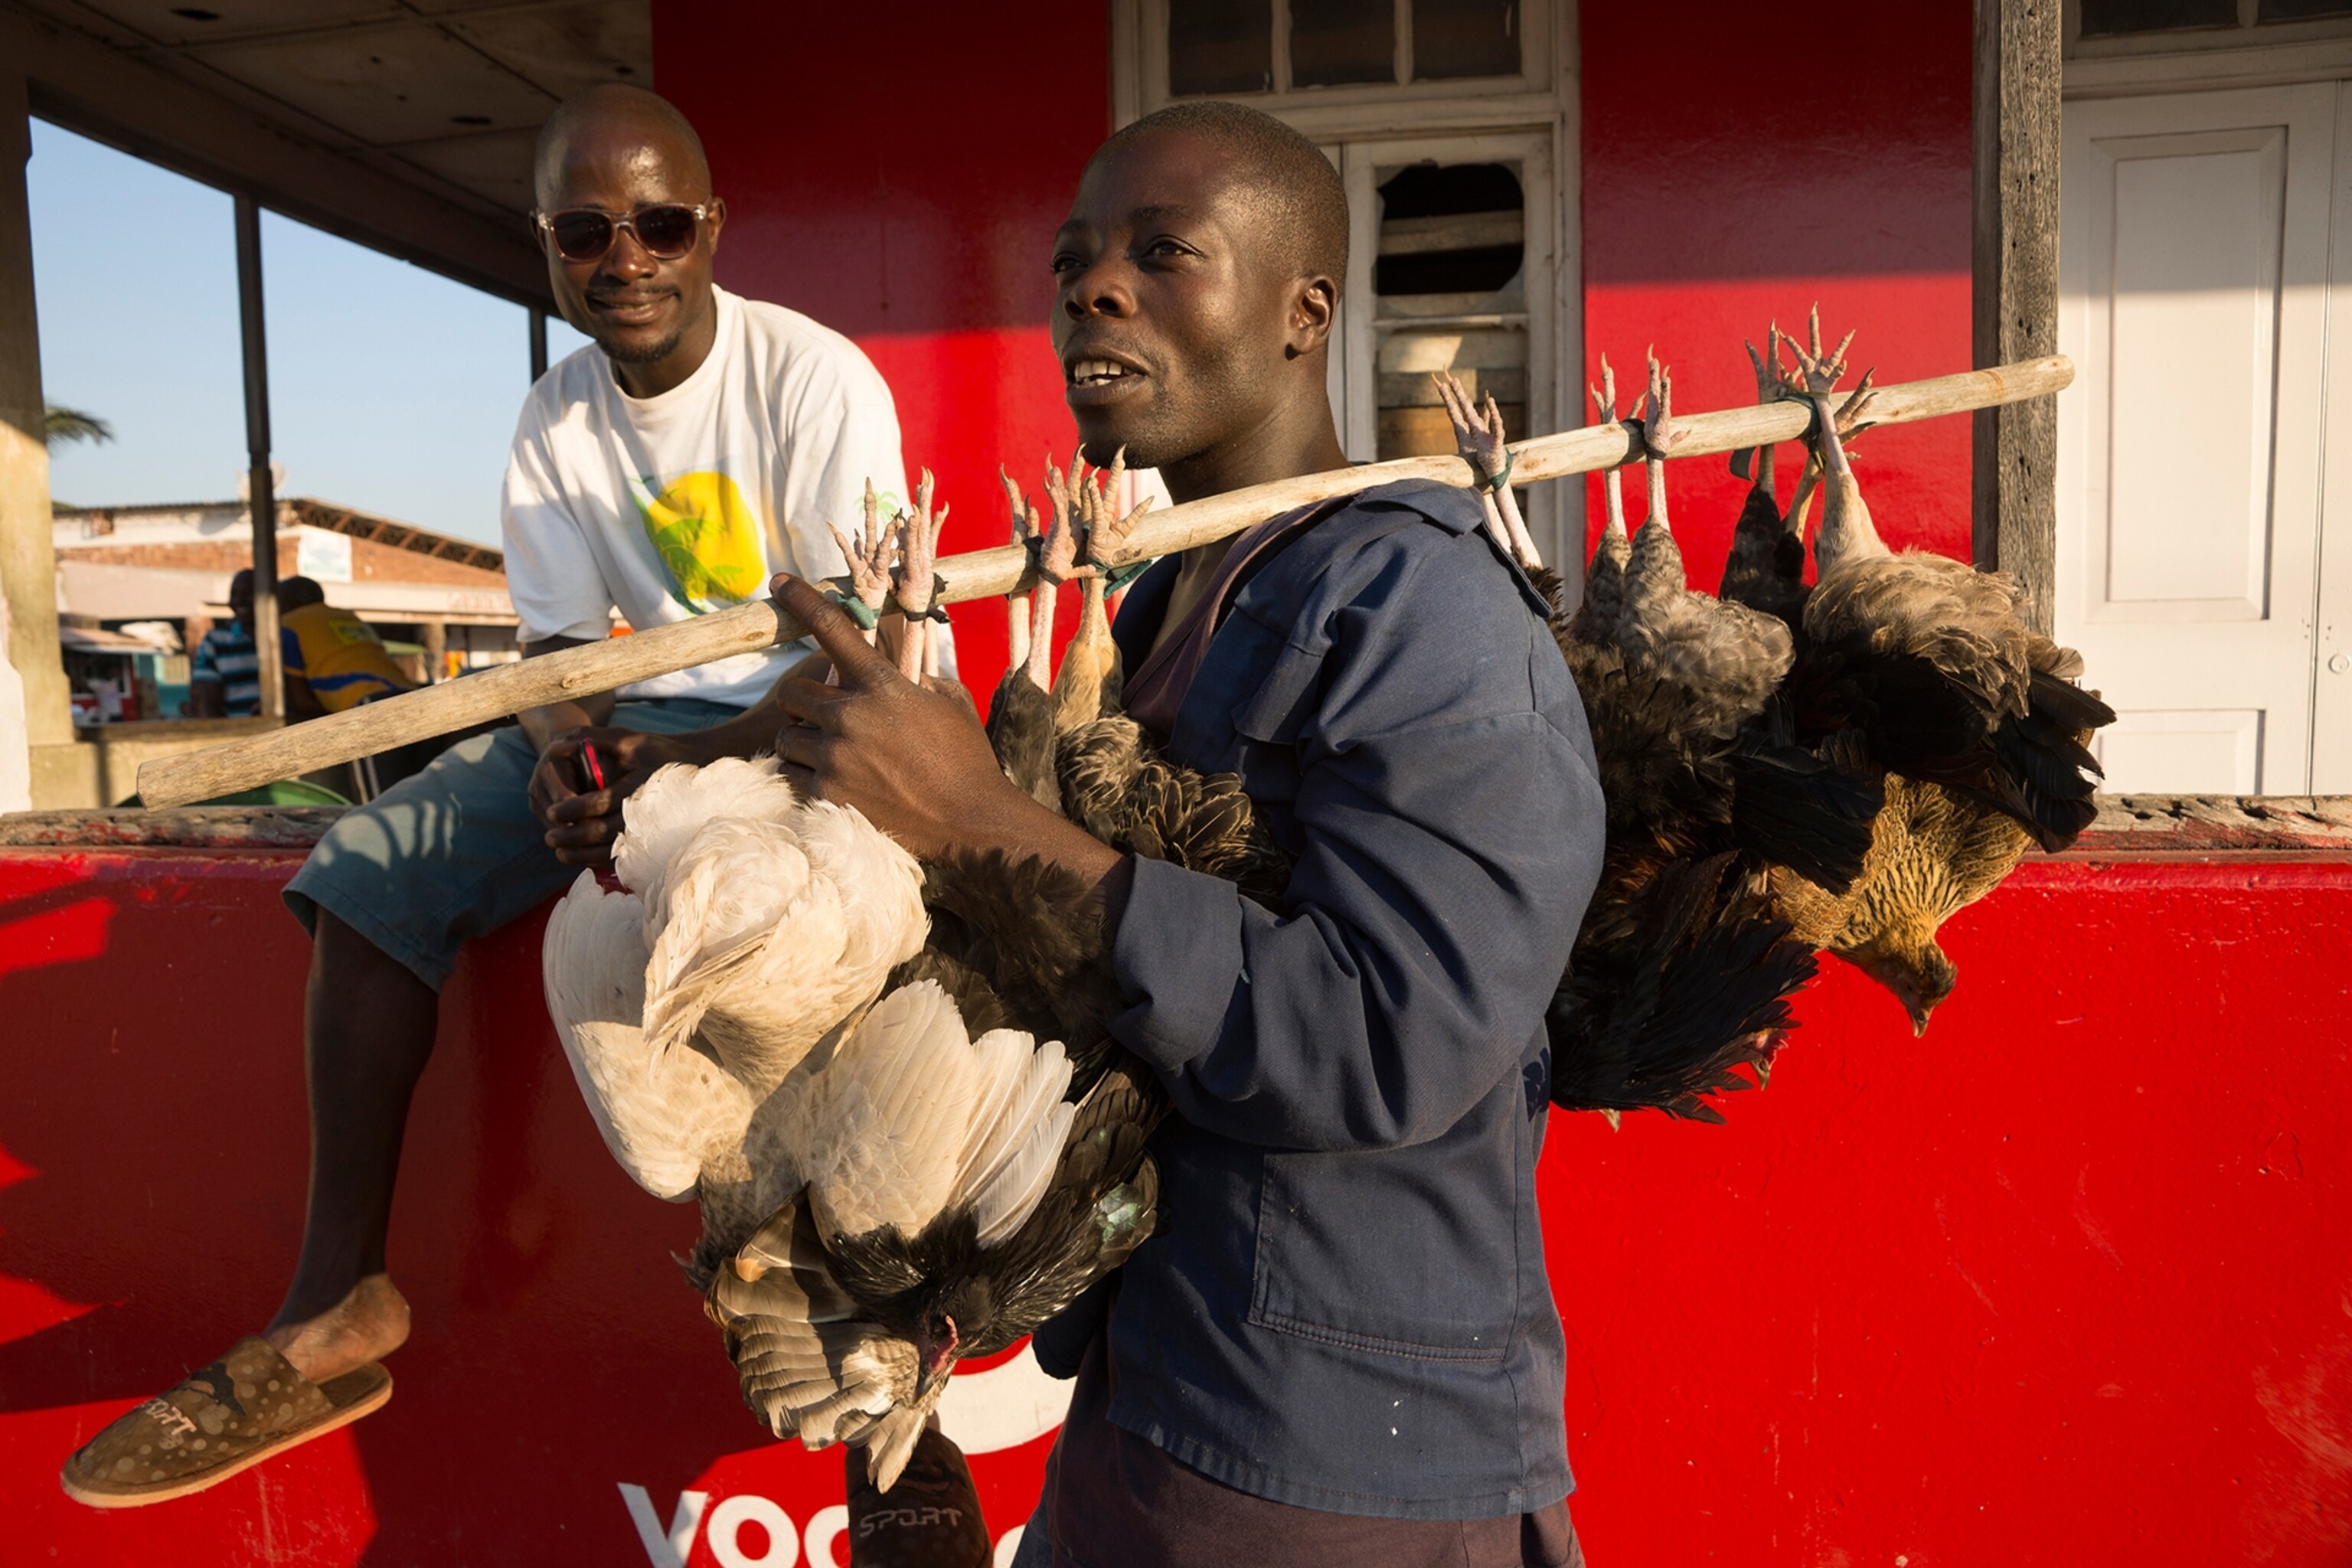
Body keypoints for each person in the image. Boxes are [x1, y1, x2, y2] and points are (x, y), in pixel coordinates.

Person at [60, 81, 925, 1508]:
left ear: (710, 227)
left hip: (817, 716)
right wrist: (569, 760)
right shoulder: (555, 417)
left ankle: (874, 1326)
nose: (625, 257)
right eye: (587, 230)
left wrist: (658, 766)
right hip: (647, 724)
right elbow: (555, 661)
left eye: (657, 222)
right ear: (545, 244)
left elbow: (859, 660)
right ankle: (335, 1300)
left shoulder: (810, 378)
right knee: (368, 864)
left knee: (771, 911)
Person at [763, 100, 1603, 1566]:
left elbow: (1383, 1032)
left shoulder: (1424, 608)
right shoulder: (1162, 602)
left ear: (1303, 314)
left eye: (1164, 253)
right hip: (1156, 1384)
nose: (1092, 287)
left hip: (1331, 1446)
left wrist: (973, 819)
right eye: (1076, 258)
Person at [273, 575, 413, 719]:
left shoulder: (288, 625)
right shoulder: (350, 617)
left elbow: (301, 701)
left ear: (286, 602)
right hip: (409, 693)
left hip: (366, 703)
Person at [186, 568, 262, 718]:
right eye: (234, 594)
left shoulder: (284, 636)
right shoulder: (215, 642)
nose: (239, 601)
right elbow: (210, 705)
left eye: (248, 594)